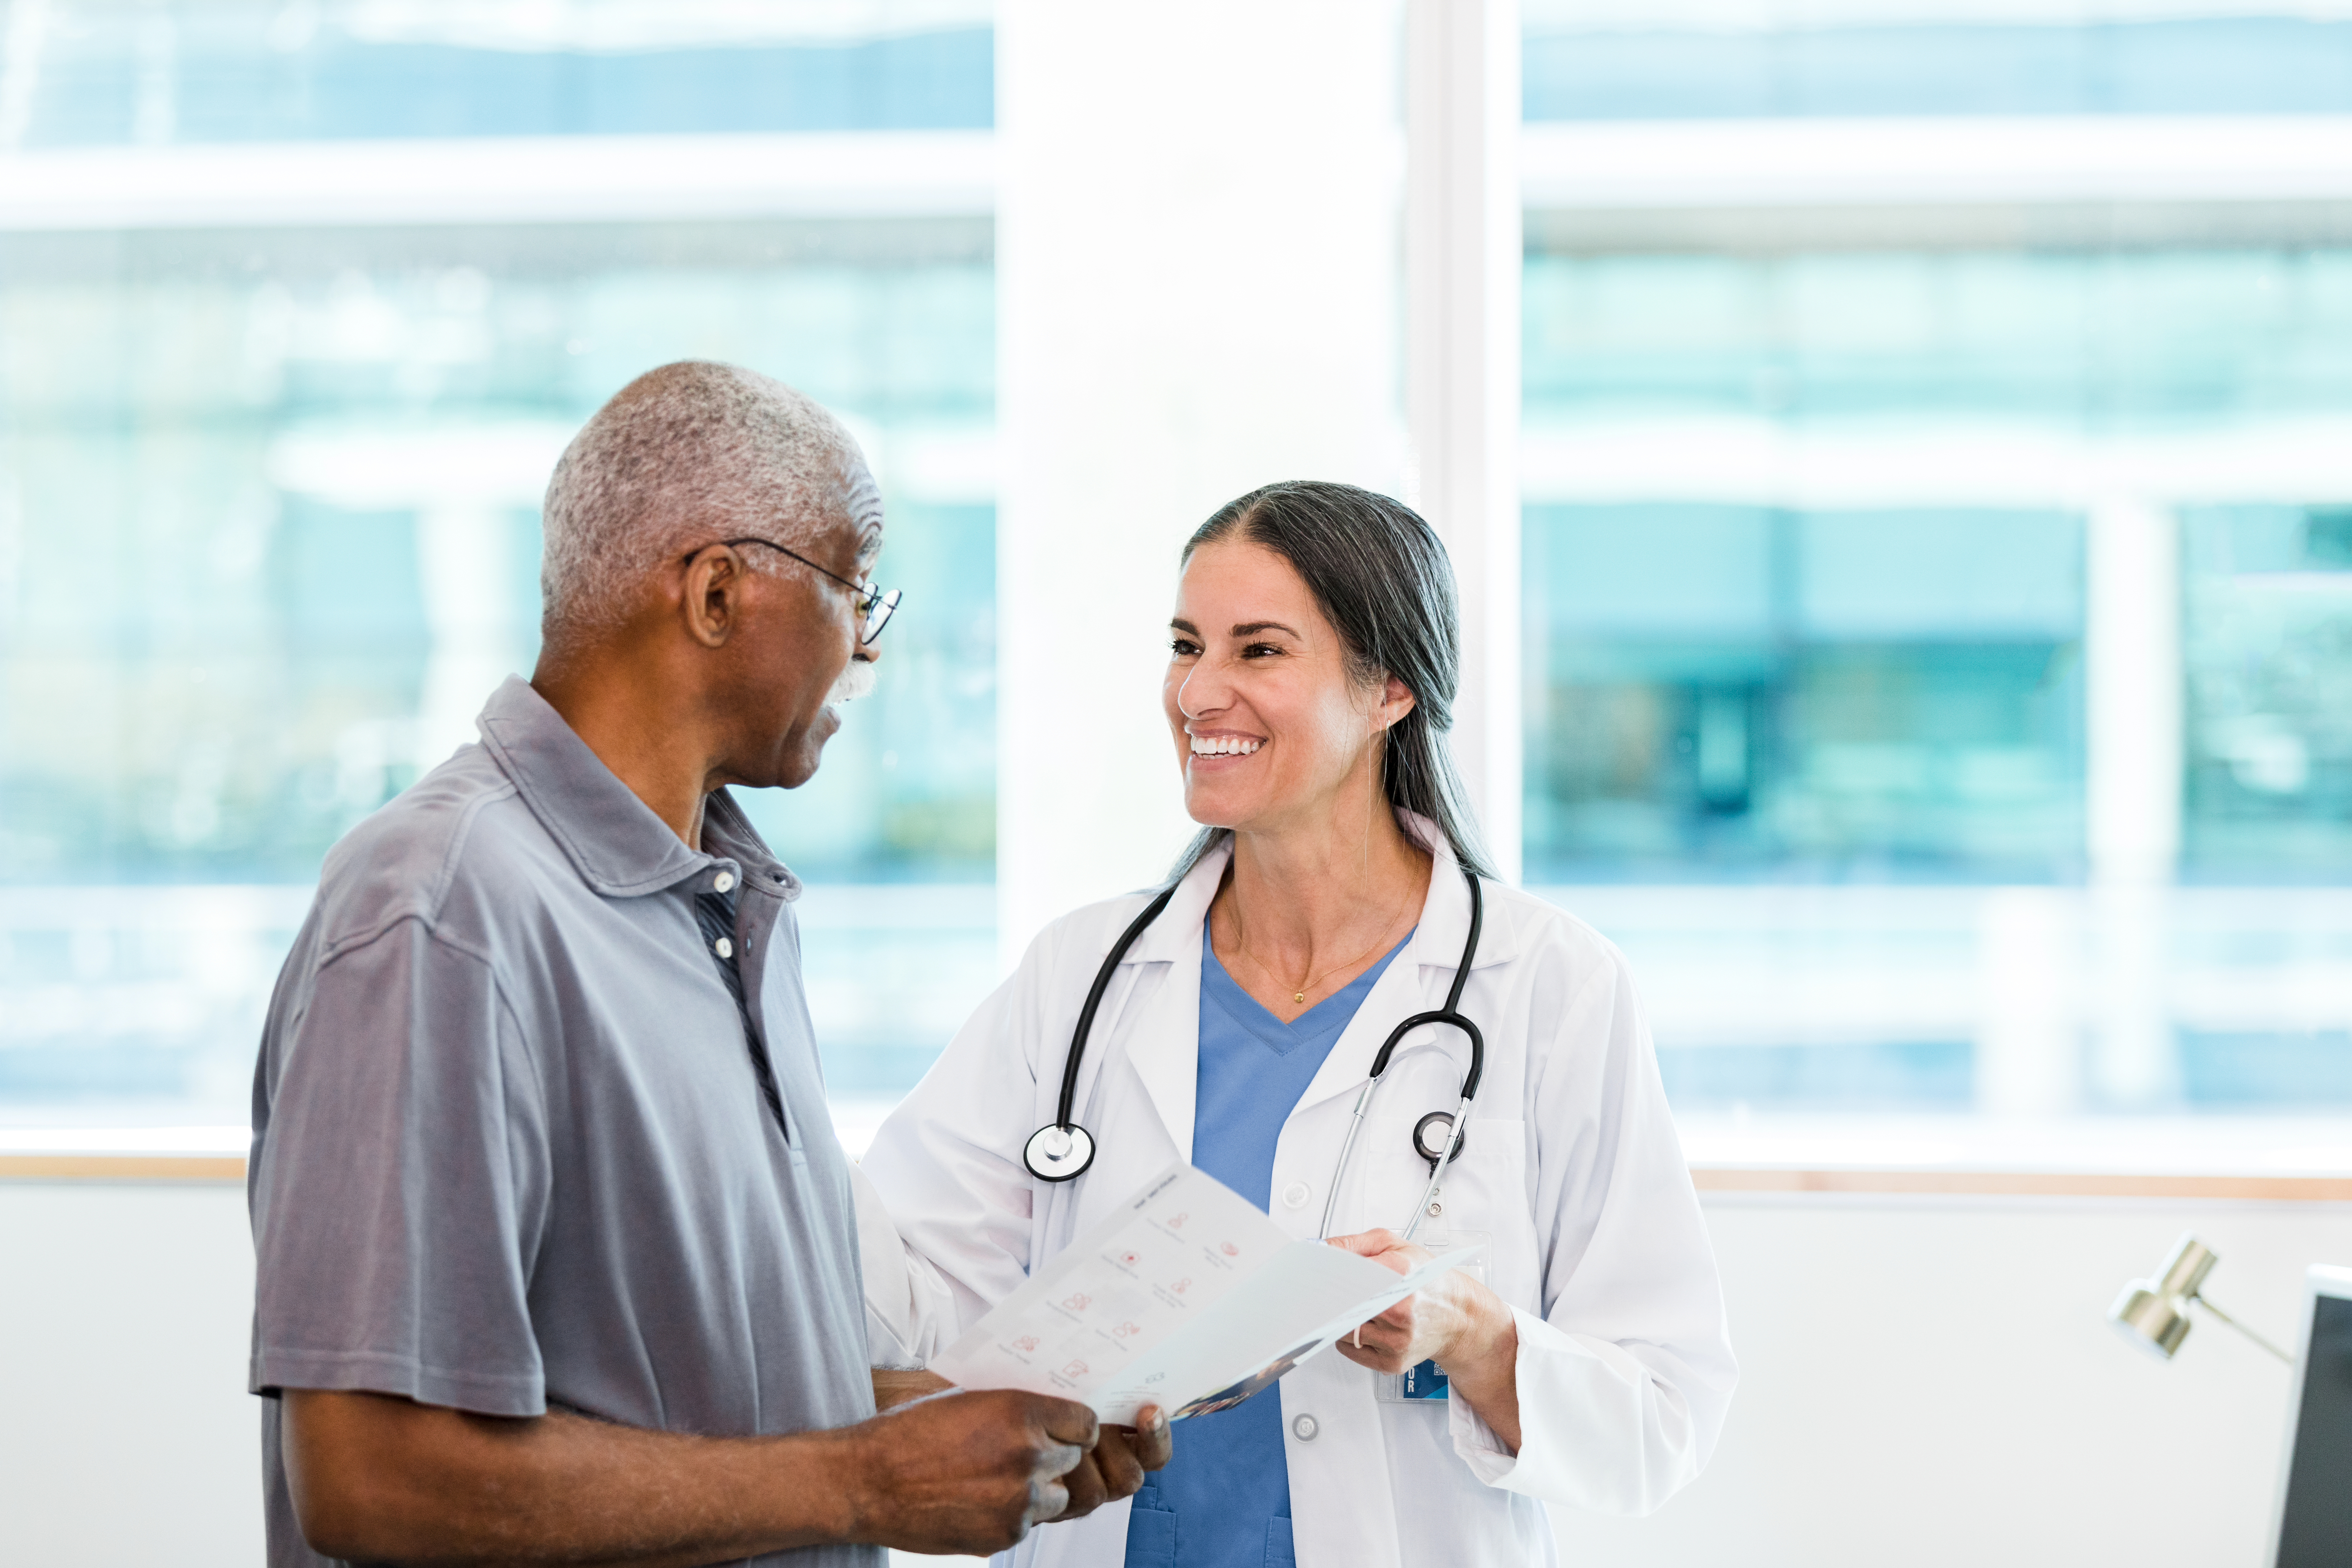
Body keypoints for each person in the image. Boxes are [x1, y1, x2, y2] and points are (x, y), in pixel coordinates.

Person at [246, 361, 1167, 1568]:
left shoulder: (725, 907)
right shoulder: (442, 910)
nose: (869, 654)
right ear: (719, 593)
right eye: (859, 592)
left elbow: (693, 1405)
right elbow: (376, 1478)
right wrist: (858, 1481)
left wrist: (948, 1436)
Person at [857, 481, 1737, 1567]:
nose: (1198, 692)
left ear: (1392, 690)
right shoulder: (1082, 975)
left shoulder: (1547, 986)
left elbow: (1663, 1415)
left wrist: (1469, 1333)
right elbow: (909, 1303)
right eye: (1187, 645)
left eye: (1259, 651)